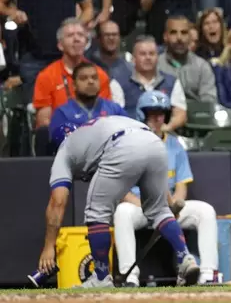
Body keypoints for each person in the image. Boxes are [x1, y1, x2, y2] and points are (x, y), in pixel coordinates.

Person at [37, 115, 201, 288]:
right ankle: (185, 258)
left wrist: (49, 247)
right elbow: (138, 149)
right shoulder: (91, 133)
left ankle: (101, 277)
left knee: (96, 212)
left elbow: (58, 202)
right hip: (154, 143)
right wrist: (166, 203)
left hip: (122, 145)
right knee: (159, 211)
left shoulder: (65, 149)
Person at [114, 91, 220, 287]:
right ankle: (130, 276)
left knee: (205, 210)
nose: (157, 118)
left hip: (168, 207)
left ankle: (207, 274)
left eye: (161, 113)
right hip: (140, 206)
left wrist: (174, 209)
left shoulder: (174, 146)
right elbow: (123, 192)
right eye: (152, 113)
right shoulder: (129, 146)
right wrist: (149, 208)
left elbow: (181, 187)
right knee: (122, 212)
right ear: (141, 114)